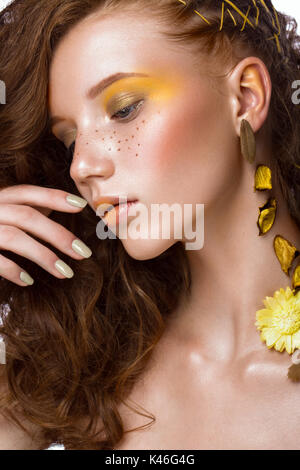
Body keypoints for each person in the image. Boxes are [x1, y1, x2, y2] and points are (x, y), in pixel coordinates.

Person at [0, 0, 299, 450]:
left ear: (245, 96)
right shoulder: (89, 367)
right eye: (68, 140)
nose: (82, 166)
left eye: (123, 110)